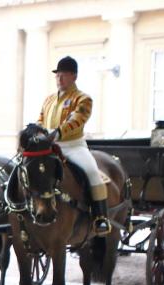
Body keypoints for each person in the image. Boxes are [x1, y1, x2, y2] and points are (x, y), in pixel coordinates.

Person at [37, 55, 110, 236]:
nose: (59, 79)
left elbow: (77, 119)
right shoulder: (48, 100)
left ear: (74, 77)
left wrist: (58, 132)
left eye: (64, 75)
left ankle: (100, 217)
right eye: (57, 75)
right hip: (49, 147)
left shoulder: (83, 99)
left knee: (93, 172)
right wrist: (37, 133)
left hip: (73, 146)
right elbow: (40, 120)